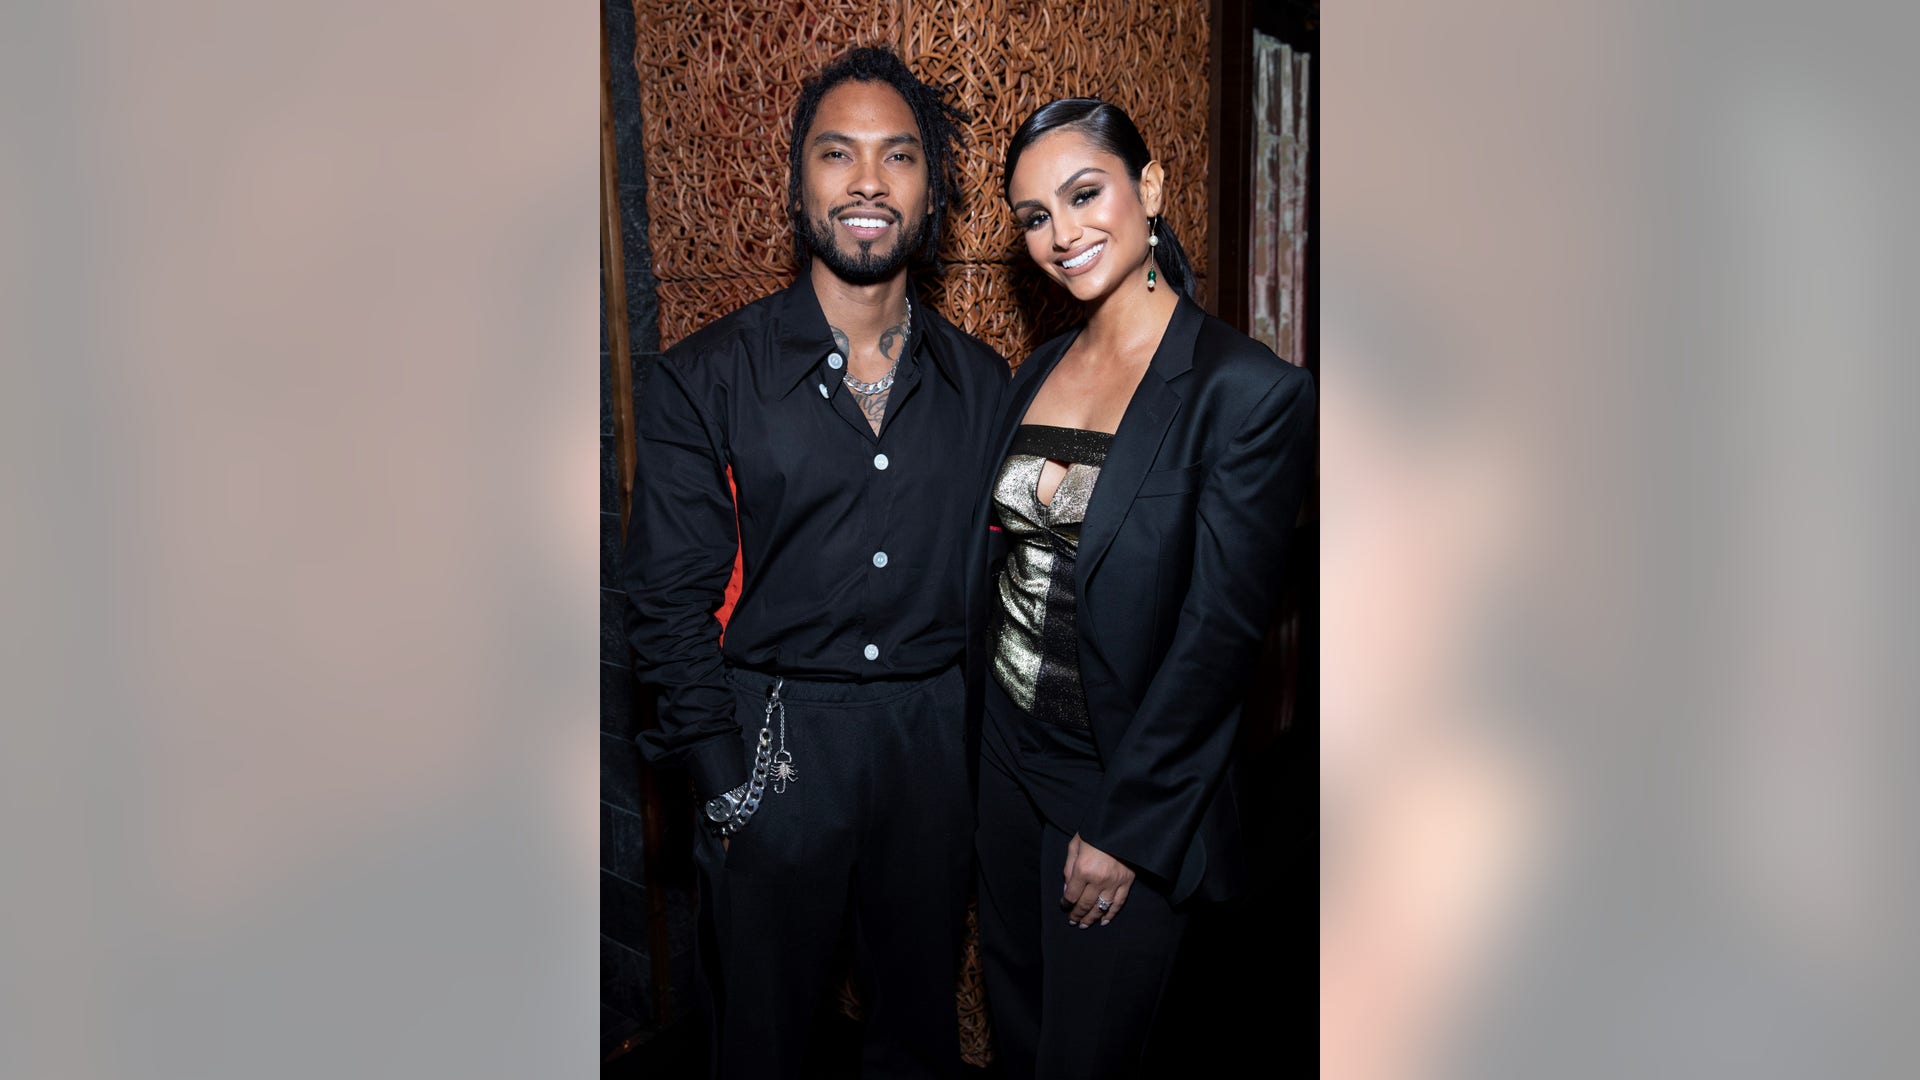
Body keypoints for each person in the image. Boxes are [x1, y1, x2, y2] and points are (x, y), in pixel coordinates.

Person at [621, 46, 1006, 1080]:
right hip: (772, 740)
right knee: (761, 1044)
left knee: (917, 1039)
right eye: (838, 154)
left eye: (899, 156)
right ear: (798, 186)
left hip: (931, 748)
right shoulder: (706, 379)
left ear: (933, 190)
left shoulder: (984, 384)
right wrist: (724, 786)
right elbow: (666, 602)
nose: (868, 181)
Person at [966, 98, 1317, 1078]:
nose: (1061, 233)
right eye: (1035, 216)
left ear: (1149, 187)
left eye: (1084, 194)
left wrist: (1128, 829)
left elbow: (1218, 638)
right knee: (1020, 1033)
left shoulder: (1246, 392)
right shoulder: (1036, 370)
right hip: (1003, 756)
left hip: (1118, 775)